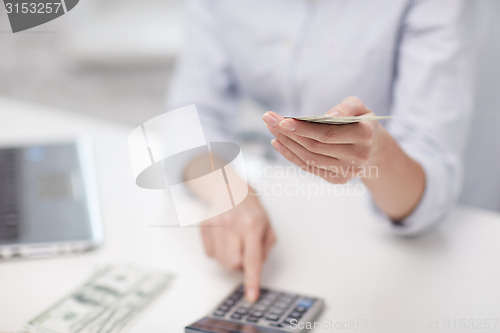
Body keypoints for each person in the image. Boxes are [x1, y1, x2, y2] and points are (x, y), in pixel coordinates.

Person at [167, 0, 495, 303]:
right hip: (298, 219)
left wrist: (376, 155)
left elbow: (429, 185)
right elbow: (191, 111)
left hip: (439, 240)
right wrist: (226, 190)